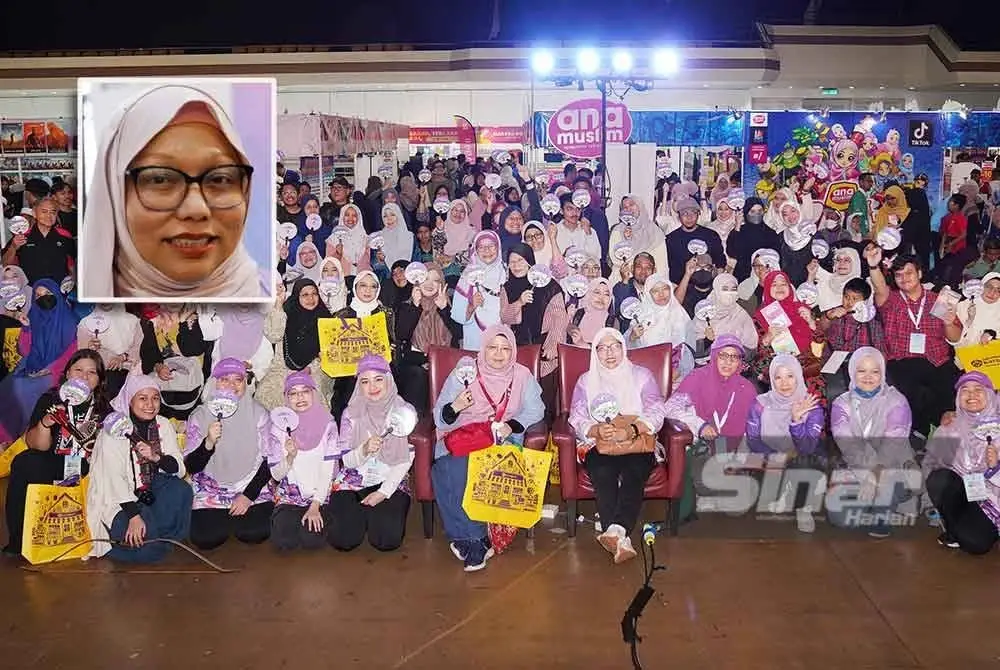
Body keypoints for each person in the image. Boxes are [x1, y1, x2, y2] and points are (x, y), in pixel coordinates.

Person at [81, 83, 263, 299]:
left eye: (220, 178)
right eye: (160, 179)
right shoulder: (85, 321)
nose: (196, 209)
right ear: (115, 194)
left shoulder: (278, 297)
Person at [430, 324, 544, 572]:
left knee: (477, 464)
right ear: (483, 349)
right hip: (463, 436)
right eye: (492, 347)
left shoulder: (522, 375)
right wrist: (456, 406)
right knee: (449, 468)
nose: (499, 354)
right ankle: (476, 539)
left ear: (513, 351)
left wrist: (511, 426)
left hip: (501, 439)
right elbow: (440, 417)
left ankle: (467, 541)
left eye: (505, 348)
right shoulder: (465, 371)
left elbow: (537, 410)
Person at [568, 328, 666, 564]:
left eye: (615, 346)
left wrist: (630, 430)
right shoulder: (586, 380)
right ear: (595, 352)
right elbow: (576, 416)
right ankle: (620, 535)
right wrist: (595, 430)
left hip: (636, 440)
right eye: (602, 348)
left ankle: (615, 530)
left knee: (635, 471)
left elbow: (656, 410)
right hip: (599, 442)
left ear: (624, 347)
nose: (609, 353)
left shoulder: (642, 375)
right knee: (603, 472)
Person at [2, 350, 110, 558]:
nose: (84, 376)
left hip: (87, 467)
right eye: (78, 370)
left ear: (100, 379)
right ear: (68, 373)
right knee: (24, 461)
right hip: (53, 460)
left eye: (92, 372)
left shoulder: (104, 408)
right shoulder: (50, 400)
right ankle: (19, 540)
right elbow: (36, 445)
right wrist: (46, 422)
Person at [86, 375, 192, 563]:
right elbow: (113, 480)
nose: (150, 404)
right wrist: (134, 516)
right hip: (119, 501)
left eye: (155, 398)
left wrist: (156, 457)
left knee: (180, 489)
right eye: (142, 398)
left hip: (151, 492)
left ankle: (159, 536)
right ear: (130, 399)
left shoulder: (163, 424)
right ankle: (114, 545)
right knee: (151, 552)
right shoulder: (115, 429)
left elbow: (179, 469)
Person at [184, 359, 273, 550]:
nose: (232, 385)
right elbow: (191, 466)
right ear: (214, 382)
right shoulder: (199, 416)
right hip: (212, 486)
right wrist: (208, 443)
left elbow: (270, 460)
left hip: (250, 483)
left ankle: (233, 514)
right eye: (224, 379)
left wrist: (248, 496)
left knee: (254, 533)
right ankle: (224, 514)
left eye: (238, 380)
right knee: (205, 539)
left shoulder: (259, 413)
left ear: (245, 383)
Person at [828, 348, 917, 537]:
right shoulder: (841, 404)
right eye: (862, 371)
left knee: (880, 520)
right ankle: (871, 500)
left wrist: (875, 475)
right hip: (858, 465)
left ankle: (897, 497)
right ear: (852, 372)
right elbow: (849, 445)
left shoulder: (897, 401)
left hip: (891, 466)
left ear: (882, 373)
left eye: (875, 371)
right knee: (840, 518)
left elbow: (893, 445)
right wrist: (867, 475)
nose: (868, 377)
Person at [329, 355, 414, 552]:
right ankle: (361, 515)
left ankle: (372, 513)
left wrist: (383, 493)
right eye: (365, 381)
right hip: (354, 478)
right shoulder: (351, 413)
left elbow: (404, 461)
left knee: (386, 540)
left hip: (389, 478)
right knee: (343, 540)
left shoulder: (402, 412)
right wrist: (364, 449)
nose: (372, 387)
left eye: (378, 379)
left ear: (389, 380)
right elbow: (347, 462)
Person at [746, 355, 825, 533]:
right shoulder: (760, 404)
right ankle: (786, 490)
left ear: (798, 376)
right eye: (778, 377)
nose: (784, 383)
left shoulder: (811, 405)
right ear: (772, 380)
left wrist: (796, 421)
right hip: (772, 457)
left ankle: (803, 507)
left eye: (790, 376)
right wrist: (777, 456)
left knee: (804, 461)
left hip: (803, 457)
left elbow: (807, 448)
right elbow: (753, 439)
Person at [924, 372, 1000, 554]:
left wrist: (995, 468)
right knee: (938, 478)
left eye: (978, 390)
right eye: (965, 390)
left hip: (993, 498)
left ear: (990, 394)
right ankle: (954, 526)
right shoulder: (949, 426)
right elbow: (930, 465)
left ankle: (981, 526)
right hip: (965, 493)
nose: (971, 395)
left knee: (976, 541)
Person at [267, 371, 340, 551]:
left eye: (305, 391)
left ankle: (322, 514)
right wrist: (290, 456)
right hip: (291, 496)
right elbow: (276, 474)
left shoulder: (328, 423)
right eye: (293, 393)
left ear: (313, 393)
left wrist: (315, 505)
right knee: (284, 541)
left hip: (321, 494)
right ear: (286, 397)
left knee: (311, 541)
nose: (300, 397)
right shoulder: (278, 428)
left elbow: (327, 471)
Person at [0, 279, 79, 444]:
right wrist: (27, 328)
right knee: (8, 385)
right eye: (38, 295)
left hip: (58, 371)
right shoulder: (32, 316)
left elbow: (72, 354)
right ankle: (3, 437)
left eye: (47, 294)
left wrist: (49, 369)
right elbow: (23, 350)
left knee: (22, 389)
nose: (42, 298)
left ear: (56, 294)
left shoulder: (70, 321)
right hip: (31, 366)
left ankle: (16, 437)